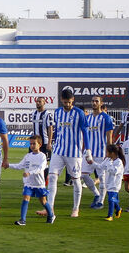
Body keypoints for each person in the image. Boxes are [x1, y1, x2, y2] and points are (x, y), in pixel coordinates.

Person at [47, 88, 92, 218]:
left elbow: (85, 132)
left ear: (73, 100)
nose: (67, 104)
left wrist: (87, 151)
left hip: (74, 153)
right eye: (65, 102)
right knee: (52, 177)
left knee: (76, 180)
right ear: (61, 100)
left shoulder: (79, 113)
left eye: (69, 102)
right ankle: (50, 208)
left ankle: (75, 208)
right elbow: (58, 130)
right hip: (59, 151)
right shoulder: (57, 112)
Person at [10, 135, 54, 226]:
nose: (32, 145)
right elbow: (20, 166)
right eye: (31, 144)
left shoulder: (42, 156)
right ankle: (22, 220)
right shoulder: (28, 156)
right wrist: (8, 165)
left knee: (43, 201)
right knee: (25, 198)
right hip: (28, 183)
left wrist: (30, 172)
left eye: (34, 143)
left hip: (39, 184)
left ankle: (51, 215)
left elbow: (40, 168)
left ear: (40, 144)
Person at [82, 96, 114, 209]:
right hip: (89, 152)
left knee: (102, 177)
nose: (94, 103)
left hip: (101, 152)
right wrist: (83, 149)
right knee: (83, 174)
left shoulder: (106, 118)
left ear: (101, 103)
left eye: (97, 101)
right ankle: (97, 194)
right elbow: (84, 135)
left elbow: (109, 136)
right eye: (93, 101)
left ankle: (101, 201)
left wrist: (109, 152)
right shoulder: (88, 118)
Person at [98, 144, 125, 221]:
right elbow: (100, 166)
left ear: (112, 153)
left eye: (107, 152)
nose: (106, 154)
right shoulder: (107, 160)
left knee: (110, 200)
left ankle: (110, 216)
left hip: (115, 184)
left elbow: (115, 171)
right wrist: (92, 163)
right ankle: (119, 209)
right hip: (108, 183)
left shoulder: (119, 162)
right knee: (113, 199)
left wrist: (109, 164)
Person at [31, 96, 54, 182]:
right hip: (34, 143)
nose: (38, 103)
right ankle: (35, 179)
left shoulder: (47, 114)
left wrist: (49, 142)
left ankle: (45, 180)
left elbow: (50, 128)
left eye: (40, 101)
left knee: (45, 162)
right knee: (32, 161)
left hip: (44, 142)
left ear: (44, 103)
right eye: (37, 101)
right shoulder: (34, 114)